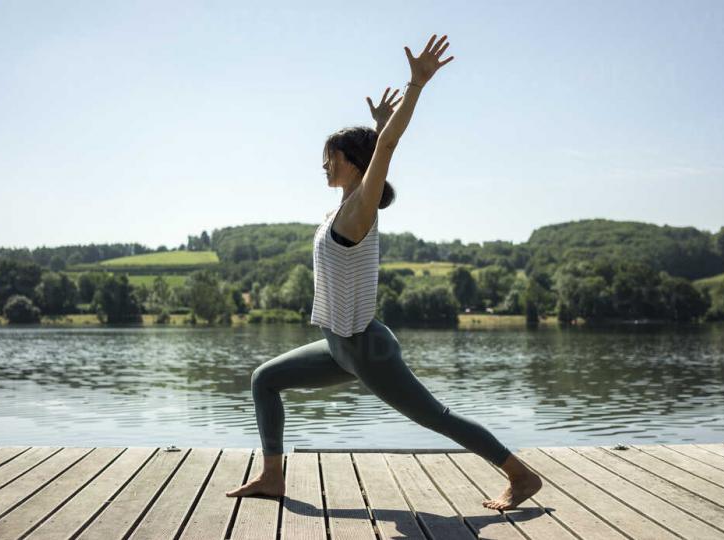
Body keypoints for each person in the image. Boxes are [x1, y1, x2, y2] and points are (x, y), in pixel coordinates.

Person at [226, 34, 543, 511]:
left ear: (355, 164)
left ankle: (520, 475)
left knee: (437, 418)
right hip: (339, 345)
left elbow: (389, 146)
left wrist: (415, 87)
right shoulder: (341, 209)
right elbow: (380, 145)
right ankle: (273, 477)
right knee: (264, 379)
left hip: (366, 350)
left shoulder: (360, 211)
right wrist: (374, 132)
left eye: (331, 156)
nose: (324, 164)